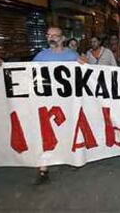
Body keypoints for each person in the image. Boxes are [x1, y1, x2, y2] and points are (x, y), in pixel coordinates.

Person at [33, 27, 80, 184]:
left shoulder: (72, 55)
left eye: (55, 35)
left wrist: (84, 63)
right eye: (48, 35)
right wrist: (2, 66)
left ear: (62, 38)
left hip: (67, 102)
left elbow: (88, 73)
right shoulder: (41, 55)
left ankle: (70, 157)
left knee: (67, 129)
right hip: (46, 102)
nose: (51, 38)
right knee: (45, 133)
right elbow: (26, 72)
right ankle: (43, 168)